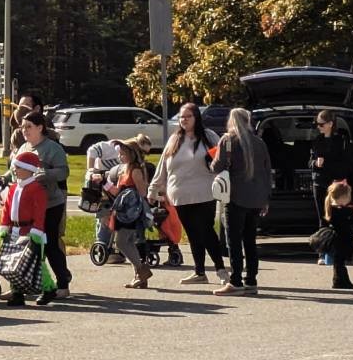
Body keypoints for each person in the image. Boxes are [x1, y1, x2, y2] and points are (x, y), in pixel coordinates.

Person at [149, 103, 227, 285]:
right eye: (181, 117)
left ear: (196, 118)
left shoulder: (208, 136)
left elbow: (222, 160)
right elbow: (163, 166)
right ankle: (199, 271)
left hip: (204, 193)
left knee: (206, 231)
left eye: (188, 116)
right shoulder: (175, 139)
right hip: (180, 195)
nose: (184, 120)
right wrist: (153, 188)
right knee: (192, 233)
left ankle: (221, 269)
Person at [210, 108, 272, 297]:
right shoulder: (259, 142)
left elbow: (217, 167)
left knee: (233, 240)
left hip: (235, 196)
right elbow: (267, 171)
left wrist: (212, 161)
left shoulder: (228, 140)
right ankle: (251, 280)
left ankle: (235, 280)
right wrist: (266, 198)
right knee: (250, 240)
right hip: (256, 197)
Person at [13, 111, 71, 302]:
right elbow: (14, 170)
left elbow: (64, 172)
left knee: (50, 244)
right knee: (25, 245)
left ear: (40, 127)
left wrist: (45, 174)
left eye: (29, 126)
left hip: (51, 204)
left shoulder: (52, 148)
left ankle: (62, 284)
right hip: (27, 205)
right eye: (22, 127)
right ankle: (20, 286)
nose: (24, 130)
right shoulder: (23, 147)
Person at [0, 151, 48, 307]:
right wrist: (4, 226)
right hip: (14, 230)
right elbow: (6, 209)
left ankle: (48, 288)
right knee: (13, 262)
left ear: (28, 169)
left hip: (30, 230)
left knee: (36, 263)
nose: (15, 170)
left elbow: (40, 212)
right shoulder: (13, 188)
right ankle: (17, 293)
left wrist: (36, 231)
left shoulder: (37, 189)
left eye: (18, 167)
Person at [107, 138, 152, 288]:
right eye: (119, 154)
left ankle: (141, 270)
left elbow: (142, 192)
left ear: (131, 154)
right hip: (123, 212)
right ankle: (140, 277)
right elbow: (117, 191)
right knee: (129, 243)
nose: (120, 157)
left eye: (123, 154)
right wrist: (103, 183)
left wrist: (130, 194)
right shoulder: (123, 169)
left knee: (121, 242)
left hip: (132, 213)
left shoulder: (136, 170)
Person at [310, 109, 353, 217]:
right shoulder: (317, 140)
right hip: (319, 181)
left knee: (337, 214)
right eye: (316, 124)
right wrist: (315, 163)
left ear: (330, 124)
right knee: (322, 215)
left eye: (321, 124)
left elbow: (348, 162)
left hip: (336, 182)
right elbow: (310, 162)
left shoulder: (342, 141)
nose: (318, 126)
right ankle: (323, 230)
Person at [324, 182, 353, 289]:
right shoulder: (338, 210)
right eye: (348, 196)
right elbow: (344, 225)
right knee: (339, 262)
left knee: (339, 261)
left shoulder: (337, 209)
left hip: (339, 239)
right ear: (342, 197)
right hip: (341, 239)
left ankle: (339, 280)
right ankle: (340, 281)